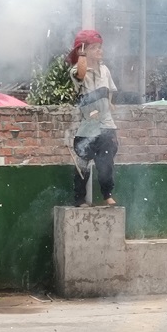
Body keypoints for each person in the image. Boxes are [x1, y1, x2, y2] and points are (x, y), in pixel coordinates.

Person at [67, 29, 119, 207]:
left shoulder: (105, 70)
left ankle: (107, 194)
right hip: (87, 126)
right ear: (84, 50)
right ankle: (80, 199)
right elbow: (80, 74)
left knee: (106, 163)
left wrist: (109, 104)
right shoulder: (77, 70)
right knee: (82, 164)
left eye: (100, 47)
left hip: (106, 124)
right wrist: (81, 53)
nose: (100, 51)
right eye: (94, 47)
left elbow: (110, 90)